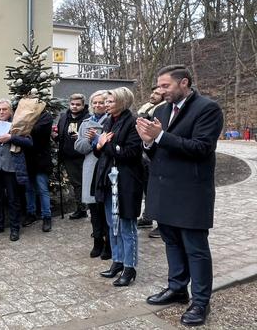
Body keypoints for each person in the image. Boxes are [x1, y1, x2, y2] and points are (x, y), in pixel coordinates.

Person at [137, 65, 223, 327]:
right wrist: (148, 142)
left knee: (195, 249)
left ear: (183, 83)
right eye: (159, 86)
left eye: (165, 86)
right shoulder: (161, 110)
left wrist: (160, 136)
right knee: (171, 242)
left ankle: (200, 302)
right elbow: (157, 152)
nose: (160, 91)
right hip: (163, 190)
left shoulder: (207, 109)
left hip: (190, 192)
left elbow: (201, 148)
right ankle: (177, 289)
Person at [94, 87, 144, 287]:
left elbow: (130, 153)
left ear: (122, 102)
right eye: (105, 101)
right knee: (111, 224)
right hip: (107, 181)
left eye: (110, 101)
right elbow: (102, 152)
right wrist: (99, 146)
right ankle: (117, 262)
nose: (106, 104)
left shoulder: (133, 123)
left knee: (125, 226)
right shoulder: (108, 121)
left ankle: (130, 268)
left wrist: (105, 145)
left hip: (126, 182)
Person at [0, 98, 33, 242]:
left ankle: (15, 228)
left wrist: (11, 137)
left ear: (11, 111)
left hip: (12, 169)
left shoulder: (18, 126)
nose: (2, 112)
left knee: (13, 200)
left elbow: (29, 142)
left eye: (5, 109)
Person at [74, 90, 111, 259]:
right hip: (90, 167)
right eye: (95, 103)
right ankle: (97, 241)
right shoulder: (85, 123)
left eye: (101, 102)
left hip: (105, 168)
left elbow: (109, 146)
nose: (98, 105)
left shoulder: (111, 121)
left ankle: (109, 243)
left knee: (105, 208)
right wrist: (89, 140)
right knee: (94, 209)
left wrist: (97, 139)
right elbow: (79, 147)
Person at [136, 86, 166, 238]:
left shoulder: (162, 112)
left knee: (158, 191)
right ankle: (147, 217)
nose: (153, 95)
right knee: (148, 189)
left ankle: (162, 224)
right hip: (145, 154)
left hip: (156, 155)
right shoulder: (147, 108)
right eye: (153, 92)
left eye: (157, 94)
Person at [54, 94, 89, 219]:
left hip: (83, 156)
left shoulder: (87, 118)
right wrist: (55, 136)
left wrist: (81, 138)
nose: (74, 107)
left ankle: (83, 208)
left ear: (83, 105)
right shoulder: (64, 117)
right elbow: (61, 136)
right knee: (76, 183)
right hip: (68, 156)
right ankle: (82, 208)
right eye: (72, 104)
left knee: (82, 183)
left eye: (78, 104)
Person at [23, 110, 54, 232]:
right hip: (27, 159)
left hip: (41, 160)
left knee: (42, 189)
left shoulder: (46, 115)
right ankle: (31, 213)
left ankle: (47, 216)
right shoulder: (24, 113)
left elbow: (38, 130)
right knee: (29, 189)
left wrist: (25, 126)